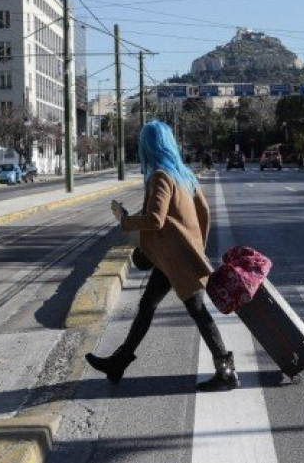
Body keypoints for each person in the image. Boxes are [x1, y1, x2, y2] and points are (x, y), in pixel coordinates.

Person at [85, 121, 239, 392]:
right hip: (174, 258)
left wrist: (125, 220)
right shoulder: (184, 174)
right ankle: (119, 362)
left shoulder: (160, 176)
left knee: (198, 311)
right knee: (147, 305)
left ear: (148, 147)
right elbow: (204, 212)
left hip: (176, 260)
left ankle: (226, 371)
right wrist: (197, 247)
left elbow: (155, 220)